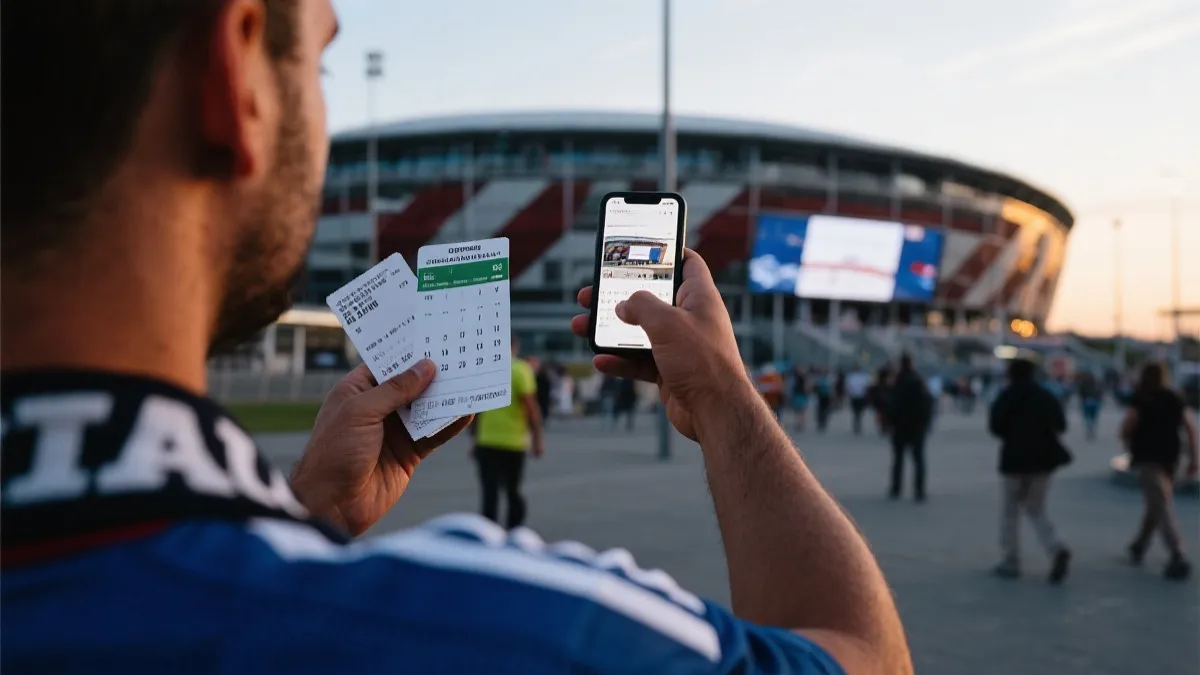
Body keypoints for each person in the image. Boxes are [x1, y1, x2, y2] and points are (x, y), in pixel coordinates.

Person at [0, 2, 911, 670]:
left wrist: (304, 510)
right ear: (234, 78)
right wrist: (729, 403)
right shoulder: (512, 633)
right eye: (318, 63)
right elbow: (862, 653)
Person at [987, 358, 1073, 583]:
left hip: (1014, 461)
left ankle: (1011, 559)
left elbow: (995, 426)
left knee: (1010, 511)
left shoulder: (1007, 396)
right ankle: (1056, 547)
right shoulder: (1045, 396)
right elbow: (1061, 424)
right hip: (1043, 462)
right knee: (1036, 508)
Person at [1120, 362, 1199, 580]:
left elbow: (1128, 425)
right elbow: (1190, 430)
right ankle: (1139, 544)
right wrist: (1193, 459)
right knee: (1159, 502)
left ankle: (1177, 552)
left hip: (1147, 458)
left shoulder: (1141, 398)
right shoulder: (1174, 398)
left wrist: (1128, 445)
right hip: (1170, 458)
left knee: (1160, 504)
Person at [472, 339, 545, 529]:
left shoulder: (487, 370)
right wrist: (537, 439)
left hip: (487, 439)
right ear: (515, 347)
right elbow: (531, 408)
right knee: (513, 490)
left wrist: (475, 439)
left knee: (489, 491)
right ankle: (514, 532)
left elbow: (477, 409)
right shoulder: (521, 370)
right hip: (513, 441)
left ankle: (488, 533)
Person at [886, 355, 932, 501]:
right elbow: (926, 405)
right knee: (918, 459)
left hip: (900, 426)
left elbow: (891, 404)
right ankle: (919, 490)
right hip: (916, 427)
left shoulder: (897, 382)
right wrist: (924, 424)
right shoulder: (918, 381)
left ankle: (896, 488)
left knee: (898, 459)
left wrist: (890, 423)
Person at [1077, 371, 1103, 441]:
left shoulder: (1082, 385)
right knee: (1093, 417)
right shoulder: (1096, 384)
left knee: (1087, 417)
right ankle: (1092, 428)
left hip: (1086, 403)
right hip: (1095, 403)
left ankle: (1089, 428)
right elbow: (1100, 393)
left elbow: (1080, 394)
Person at [845, 367, 871, 435]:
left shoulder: (863, 377)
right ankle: (856, 424)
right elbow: (848, 386)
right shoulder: (851, 377)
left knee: (860, 411)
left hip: (861, 397)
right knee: (855, 411)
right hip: (854, 396)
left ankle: (858, 423)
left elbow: (866, 386)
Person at [791, 365, 810, 432]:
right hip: (799, 395)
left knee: (800, 411)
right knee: (800, 411)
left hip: (800, 395)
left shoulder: (797, 378)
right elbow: (807, 387)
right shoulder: (801, 377)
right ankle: (800, 423)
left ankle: (800, 423)